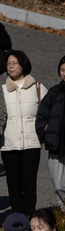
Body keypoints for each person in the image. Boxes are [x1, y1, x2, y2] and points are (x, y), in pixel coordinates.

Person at [0, 50, 44, 216]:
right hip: (9, 145)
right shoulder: (1, 90)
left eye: (14, 63)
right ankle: (18, 217)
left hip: (32, 143)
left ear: (23, 65)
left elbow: (47, 113)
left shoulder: (37, 88)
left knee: (29, 183)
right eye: (8, 64)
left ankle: (30, 215)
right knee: (13, 184)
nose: (11, 66)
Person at [37, 56, 65, 208]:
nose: (64, 73)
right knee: (59, 185)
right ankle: (63, 210)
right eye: (62, 70)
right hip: (56, 146)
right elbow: (41, 116)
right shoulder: (54, 92)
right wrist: (44, 133)